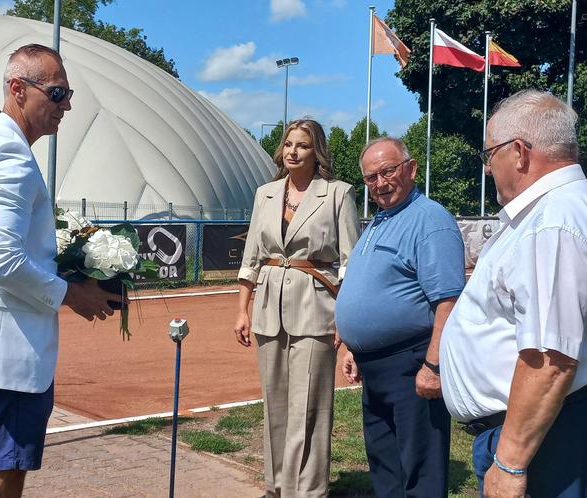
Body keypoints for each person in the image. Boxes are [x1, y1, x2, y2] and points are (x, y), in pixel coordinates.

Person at [0, 44, 119, 498]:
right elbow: (4, 262)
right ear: (18, 89)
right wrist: (72, 294)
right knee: (0, 476)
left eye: (68, 92)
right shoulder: (9, 158)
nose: (67, 105)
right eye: (57, 93)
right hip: (8, 353)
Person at [440, 90, 587, 498]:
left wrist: (509, 463)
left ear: (519, 152)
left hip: (540, 442)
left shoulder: (551, 222)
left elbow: (549, 360)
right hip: (541, 432)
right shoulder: (559, 211)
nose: (487, 169)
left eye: (490, 155)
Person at [234, 119, 359, 497]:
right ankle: (276, 487)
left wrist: (347, 320)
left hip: (316, 309)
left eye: (302, 145)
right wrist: (243, 309)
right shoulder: (265, 194)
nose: (292, 151)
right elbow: (251, 256)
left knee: (309, 408)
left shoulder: (338, 193)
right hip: (268, 309)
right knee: (276, 405)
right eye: (288, 144)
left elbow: (350, 262)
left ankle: (306, 491)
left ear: (316, 151)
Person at [336, 137, 465, 497]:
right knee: (385, 464)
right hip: (376, 366)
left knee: (419, 469)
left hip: (411, 364)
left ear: (410, 168)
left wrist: (434, 366)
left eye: (387, 171)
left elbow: (448, 301)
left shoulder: (429, 220)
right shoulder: (381, 220)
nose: (380, 183)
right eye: (371, 178)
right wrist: (354, 347)